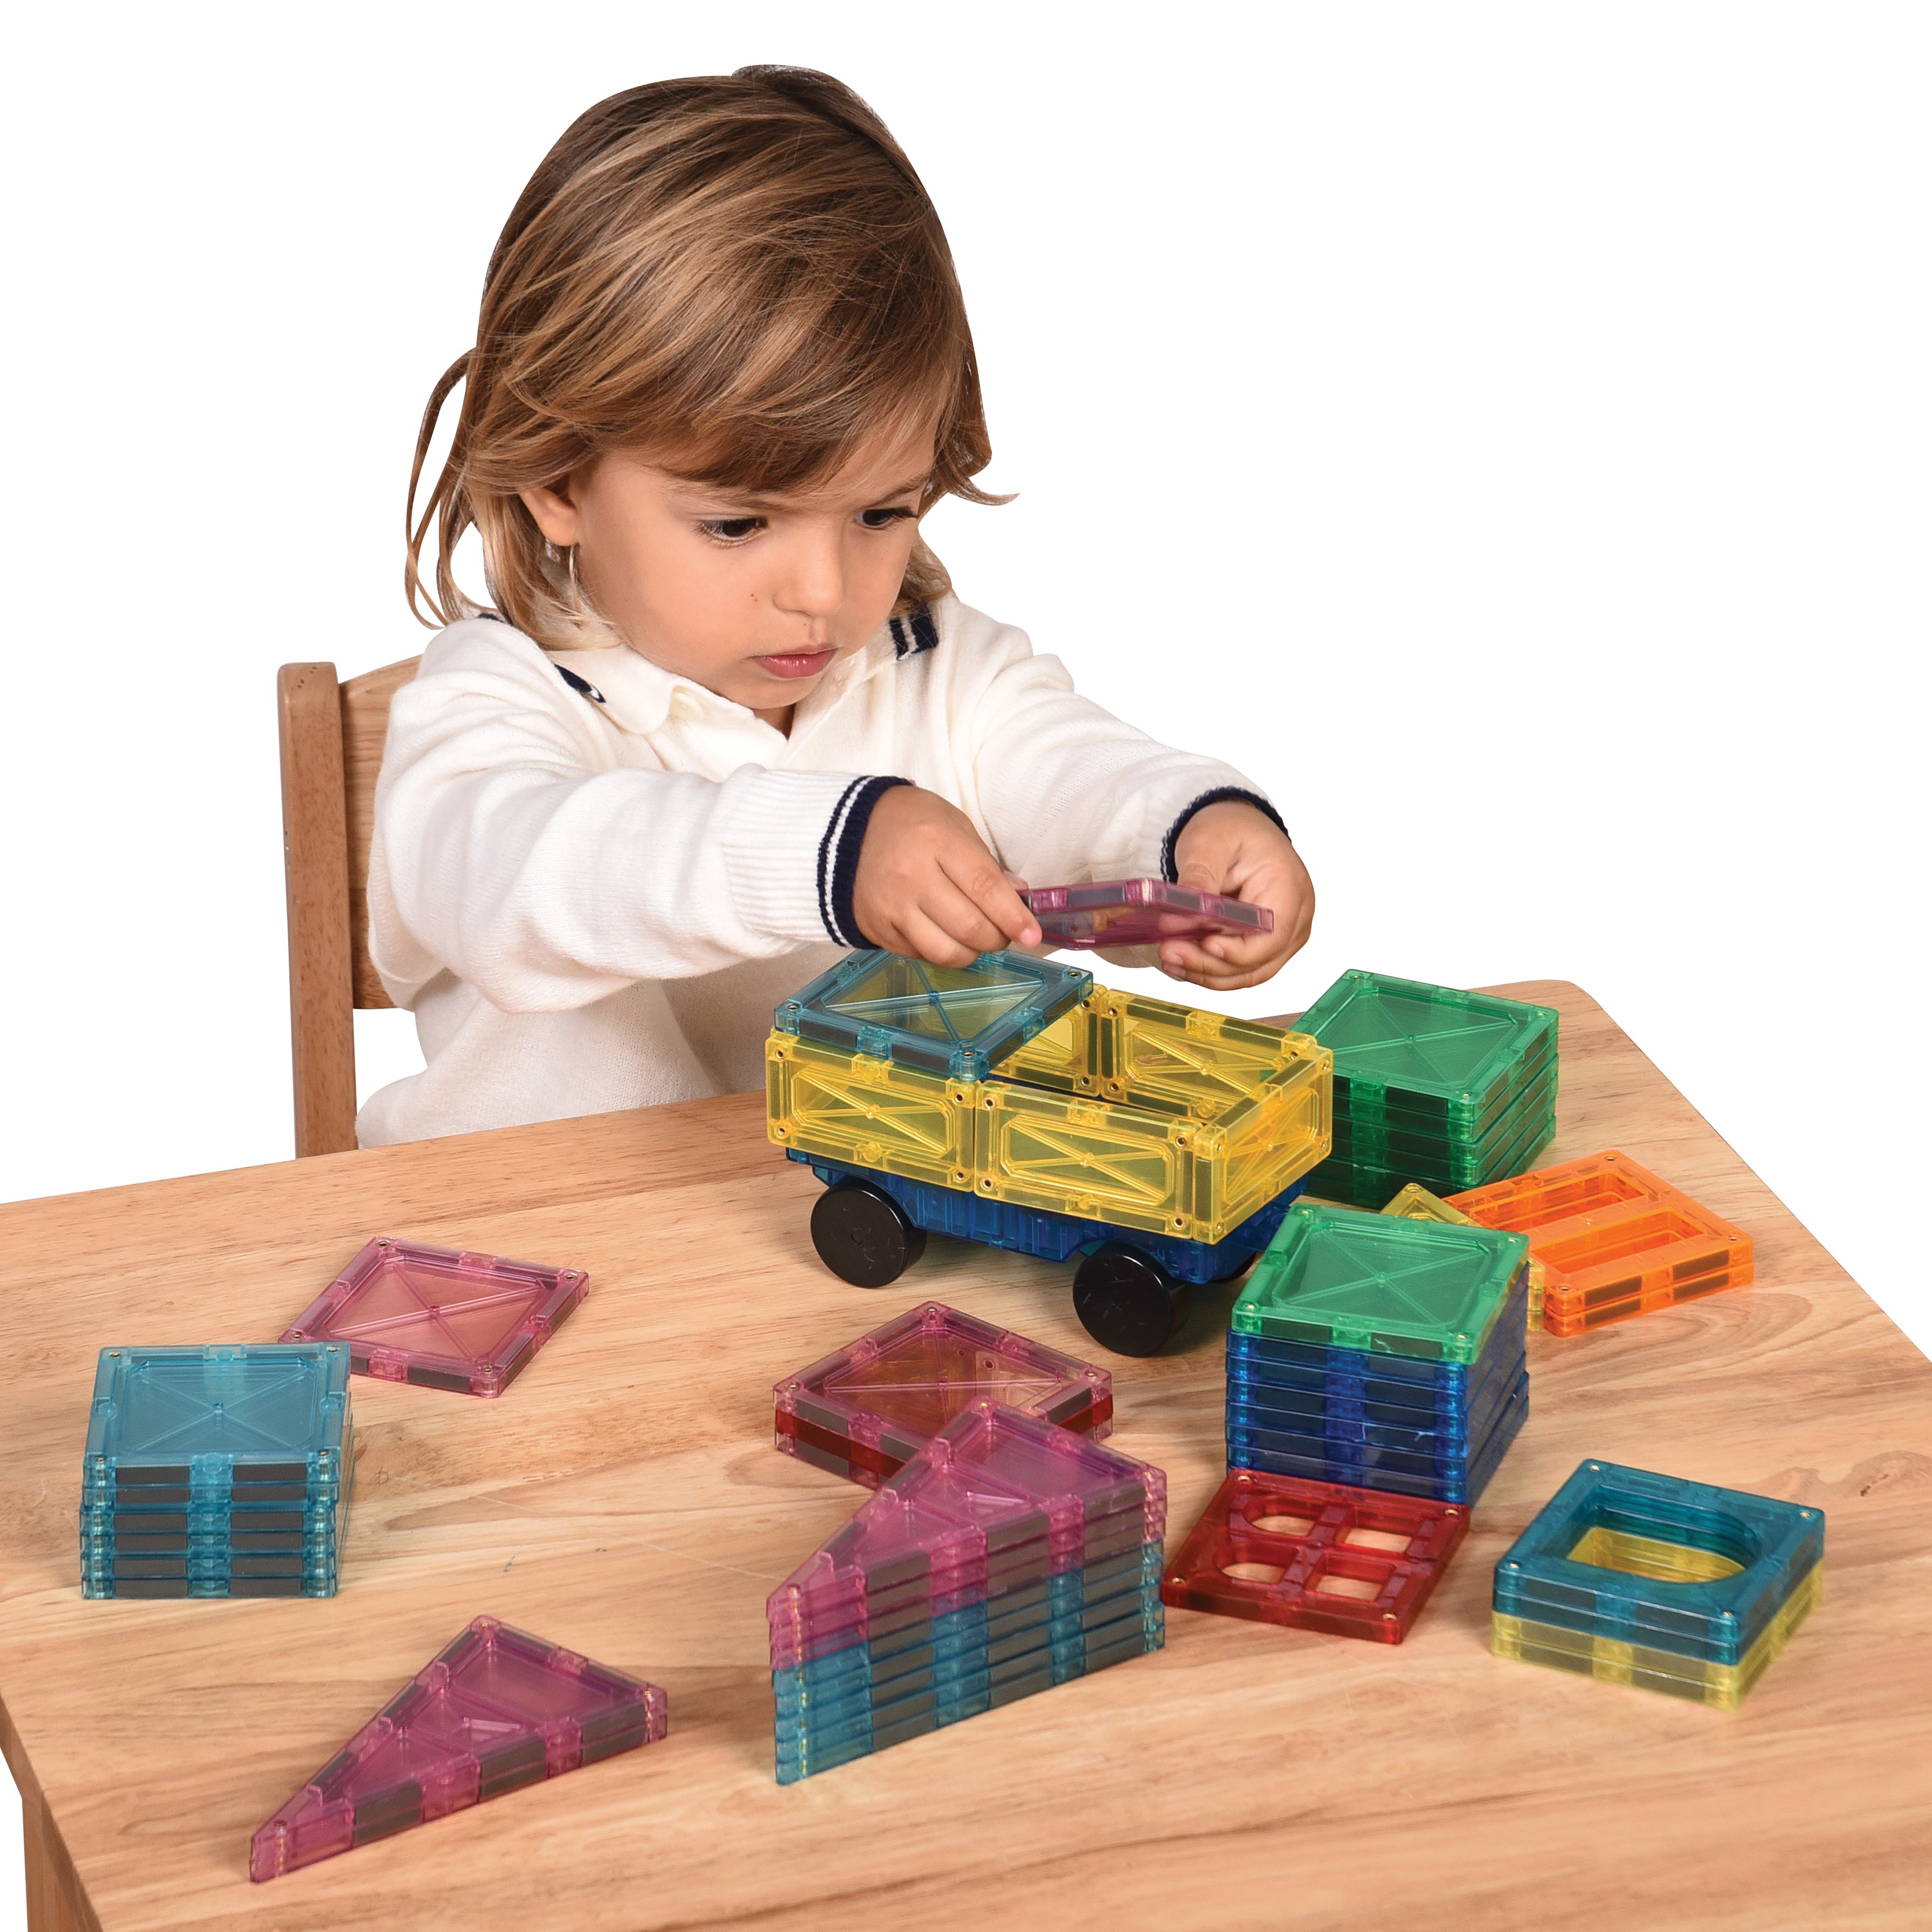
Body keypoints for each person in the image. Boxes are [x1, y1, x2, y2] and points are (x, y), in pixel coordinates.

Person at [359, 68, 1313, 1146]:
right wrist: (830, 853)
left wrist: (1195, 834)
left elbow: (1068, 768)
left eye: (880, 512)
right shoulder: (498, 699)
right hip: (531, 1248)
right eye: (737, 525)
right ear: (561, 483)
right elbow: (508, 880)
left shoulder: (936, 664)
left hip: (837, 1248)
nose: (824, 593)